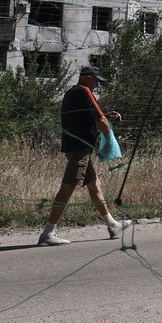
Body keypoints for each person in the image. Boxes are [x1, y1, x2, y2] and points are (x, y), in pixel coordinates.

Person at [38, 65, 132, 246]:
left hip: (74, 148)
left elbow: (86, 117)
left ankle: (112, 225)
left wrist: (106, 116)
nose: (97, 85)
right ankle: (47, 234)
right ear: (88, 78)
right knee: (67, 188)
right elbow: (100, 120)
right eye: (96, 81)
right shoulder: (84, 91)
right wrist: (110, 139)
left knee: (94, 185)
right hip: (79, 149)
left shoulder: (71, 93)